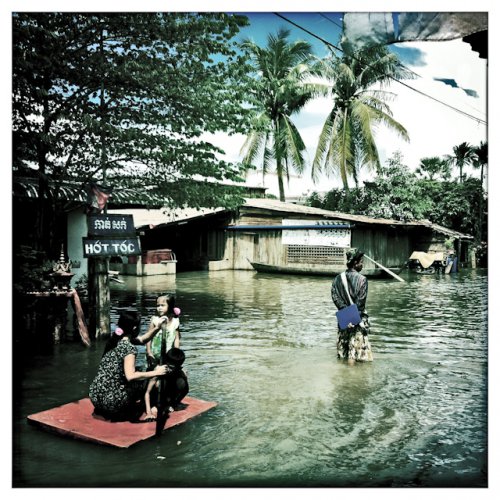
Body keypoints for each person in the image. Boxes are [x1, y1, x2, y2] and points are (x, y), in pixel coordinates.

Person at [89, 309, 168, 422]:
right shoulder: (129, 348)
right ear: (135, 328)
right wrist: (156, 372)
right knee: (146, 379)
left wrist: (157, 328)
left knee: (138, 371)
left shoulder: (115, 339)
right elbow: (130, 376)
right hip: (111, 403)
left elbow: (142, 340)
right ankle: (145, 407)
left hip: (95, 396)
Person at [143, 294, 189, 421]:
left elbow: (177, 338)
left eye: (162, 305)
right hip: (155, 356)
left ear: (170, 306)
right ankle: (154, 404)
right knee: (156, 381)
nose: (159, 308)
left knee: (172, 380)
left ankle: (169, 402)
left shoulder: (175, 322)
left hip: (169, 358)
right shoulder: (154, 320)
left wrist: (176, 353)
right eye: (157, 305)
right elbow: (148, 338)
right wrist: (149, 352)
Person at [331, 249, 373, 363]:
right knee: (355, 356)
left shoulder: (337, 279)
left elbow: (335, 297)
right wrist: (352, 319)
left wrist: (345, 314)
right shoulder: (362, 280)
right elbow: (360, 304)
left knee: (343, 355)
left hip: (343, 321)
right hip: (357, 321)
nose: (362, 264)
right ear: (355, 263)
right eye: (361, 262)